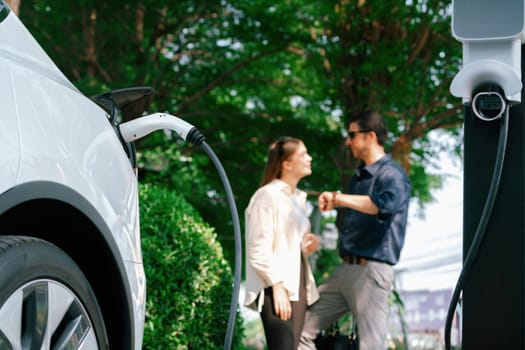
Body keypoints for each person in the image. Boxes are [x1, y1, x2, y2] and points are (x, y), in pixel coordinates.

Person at [299, 110, 411, 350]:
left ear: (370, 136)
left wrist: (339, 199)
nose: (348, 141)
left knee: (371, 346)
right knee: (300, 329)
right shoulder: (359, 178)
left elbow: (382, 205)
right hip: (344, 271)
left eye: (352, 135)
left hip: (370, 271)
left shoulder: (392, 174)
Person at [244, 136, 321, 349]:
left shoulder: (296, 199)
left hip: (297, 285)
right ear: (286, 164)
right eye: (303, 154)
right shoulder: (266, 196)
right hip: (276, 286)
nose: (309, 158)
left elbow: (287, 248)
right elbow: (258, 247)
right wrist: (276, 285)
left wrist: (306, 248)